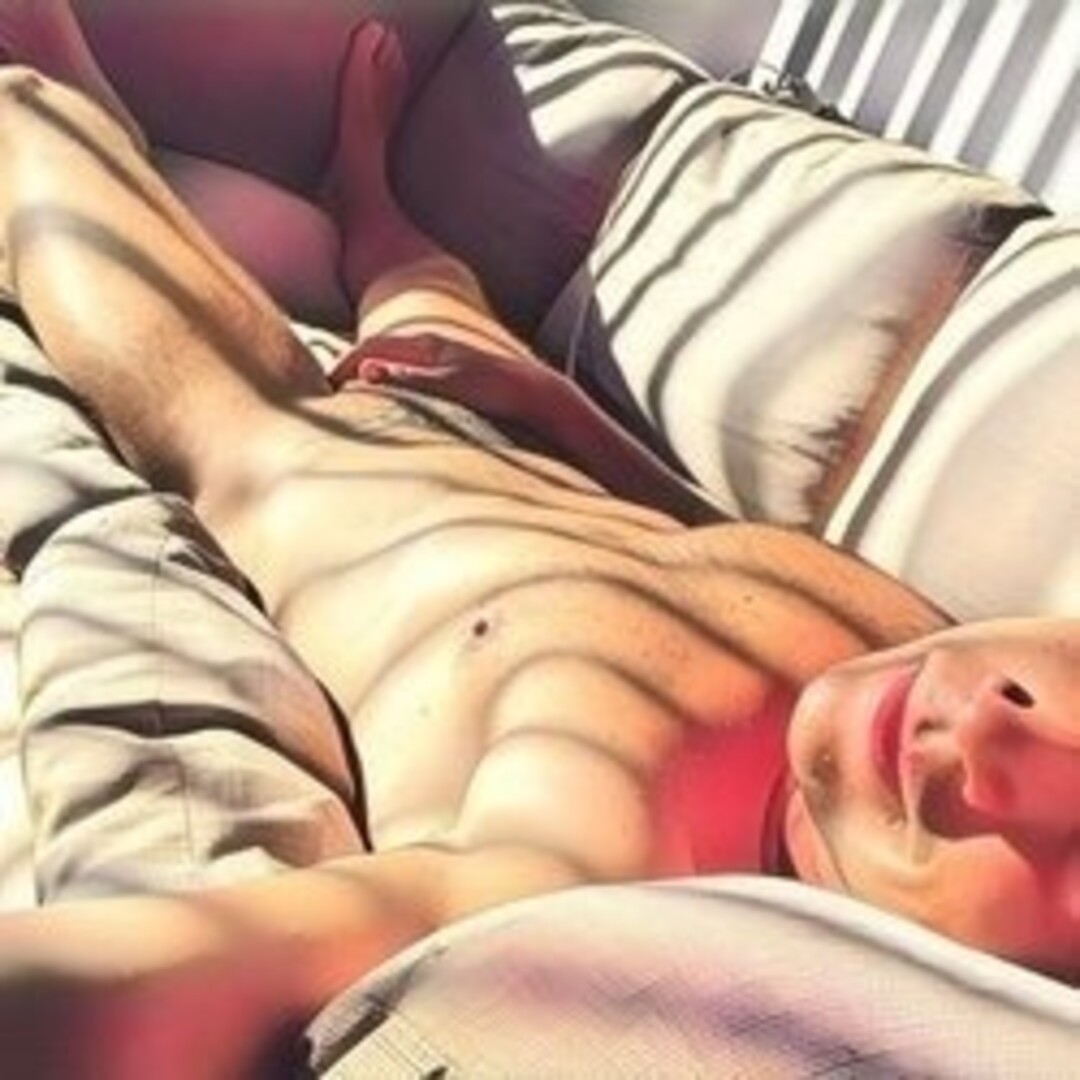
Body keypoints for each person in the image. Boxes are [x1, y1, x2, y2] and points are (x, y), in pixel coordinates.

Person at [0, 17, 1076, 1079]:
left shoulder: (606, 865)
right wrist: (556, 408)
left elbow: (164, 980)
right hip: (513, 446)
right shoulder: (909, 645)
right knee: (431, 293)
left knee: (36, 123)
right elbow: (719, 537)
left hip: (272, 440)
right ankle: (365, 196)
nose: (1006, 726)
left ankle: (64, 93)